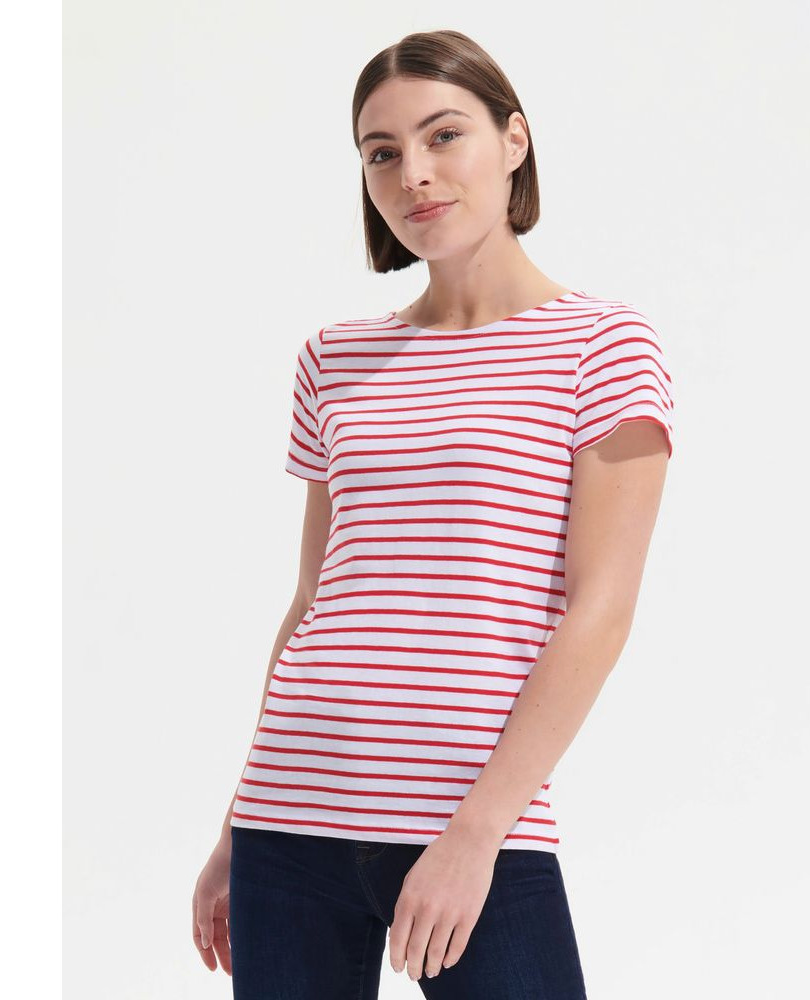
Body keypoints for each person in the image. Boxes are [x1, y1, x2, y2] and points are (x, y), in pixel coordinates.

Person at [192, 29, 674, 999]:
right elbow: (313, 603)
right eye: (381, 152)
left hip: (470, 818)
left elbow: (600, 613)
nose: (412, 172)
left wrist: (475, 834)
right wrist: (236, 821)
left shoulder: (602, 346)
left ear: (514, 139)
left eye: (443, 134)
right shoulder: (334, 358)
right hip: (290, 811)